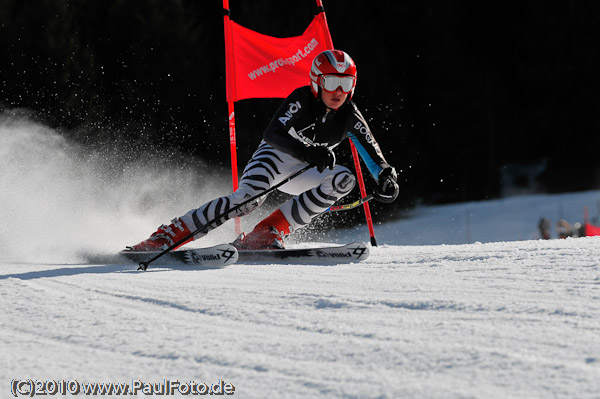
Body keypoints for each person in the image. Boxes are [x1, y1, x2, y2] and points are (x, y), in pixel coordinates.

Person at [126, 49, 399, 252]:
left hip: (304, 170)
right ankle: (169, 234)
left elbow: (371, 149)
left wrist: (385, 176)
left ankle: (267, 232)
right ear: (316, 81)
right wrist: (307, 151)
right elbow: (273, 133)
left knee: (343, 180)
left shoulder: (349, 114)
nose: (338, 90)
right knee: (247, 201)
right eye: (330, 82)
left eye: (346, 83)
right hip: (274, 156)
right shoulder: (302, 100)